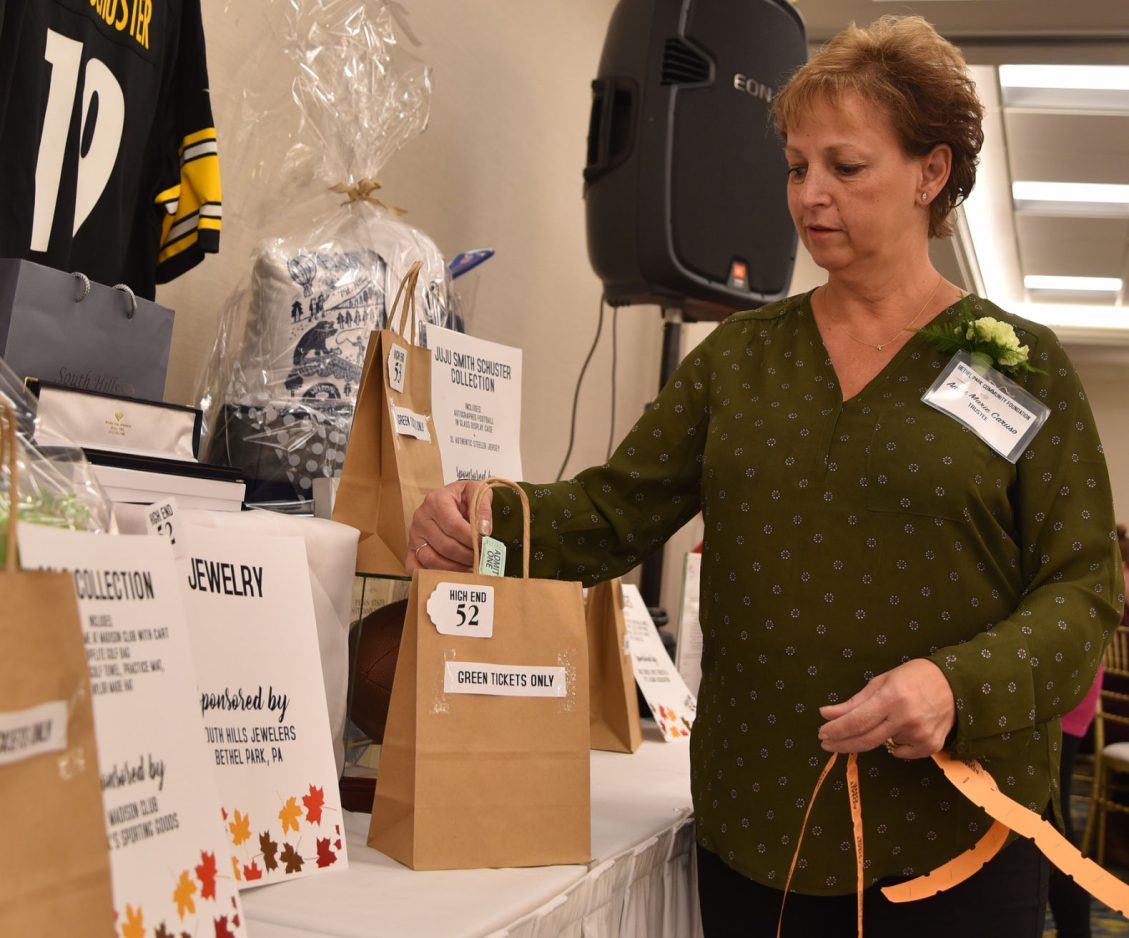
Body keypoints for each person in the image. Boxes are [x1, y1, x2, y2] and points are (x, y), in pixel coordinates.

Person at [403, 16, 1124, 938]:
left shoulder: (1020, 366)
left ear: (931, 173)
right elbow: (614, 511)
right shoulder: (736, 359)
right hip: (760, 825)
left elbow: (1081, 587)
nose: (809, 195)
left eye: (845, 167)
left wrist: (957, 685)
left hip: (956, 836)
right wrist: (487, 518)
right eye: (795, 167)